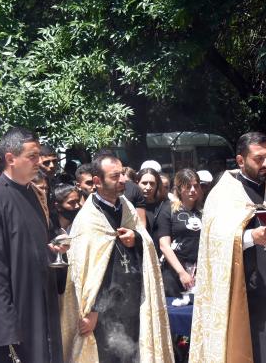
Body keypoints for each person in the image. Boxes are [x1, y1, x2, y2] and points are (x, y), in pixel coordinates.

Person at [190, 132, 266, 363]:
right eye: (259, 158)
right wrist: (248, 237)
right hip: (244, 296)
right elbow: (213, 243)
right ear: (240, 160)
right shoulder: (222, 194)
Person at [0, 126, 68, 363]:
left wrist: (53, 251)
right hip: (13, 315)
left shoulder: (34, 194)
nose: (39, 162)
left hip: (38, 304)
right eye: (32, 156)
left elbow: (31, 246)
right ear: (11, 158)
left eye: (39, 155)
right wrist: (5, 328)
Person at [60, 153, 173, 362]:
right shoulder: (87, 220)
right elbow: (88, 273)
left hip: (133, 301)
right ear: (97, 181)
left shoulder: (126, 207)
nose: (122, 180)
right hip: (104, 312)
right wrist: (93, 311)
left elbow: (147, 243)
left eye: (122, 174)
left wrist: (136, 238)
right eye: (115, 176)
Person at [156, 168, 204, 298]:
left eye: (196, 186)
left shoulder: (203, 211)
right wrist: (182, 273)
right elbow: (164, 245)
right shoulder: (168, 210)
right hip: (174, 272)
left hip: (199, 272)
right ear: (178, 189)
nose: (193, 190)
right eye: (188, 187)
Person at [137, 167, 164, 238]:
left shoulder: (164, 205)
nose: (148, 187)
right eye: (144, 183)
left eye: (152, 183)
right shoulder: (131, 206)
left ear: (157, 185)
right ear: (137, 183)